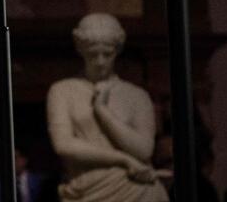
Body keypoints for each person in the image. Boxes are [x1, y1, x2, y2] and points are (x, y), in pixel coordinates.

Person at [46, 12, 168, 202]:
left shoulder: (136, 95)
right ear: (80, 50)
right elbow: (63, 144)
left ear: (117, 51)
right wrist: (123, 159)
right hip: (86, 190)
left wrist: (103, 113)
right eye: (93, 54)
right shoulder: (62, 90)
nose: (101, 61)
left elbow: (144, 150)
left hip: (137, 190)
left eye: (107, 54)